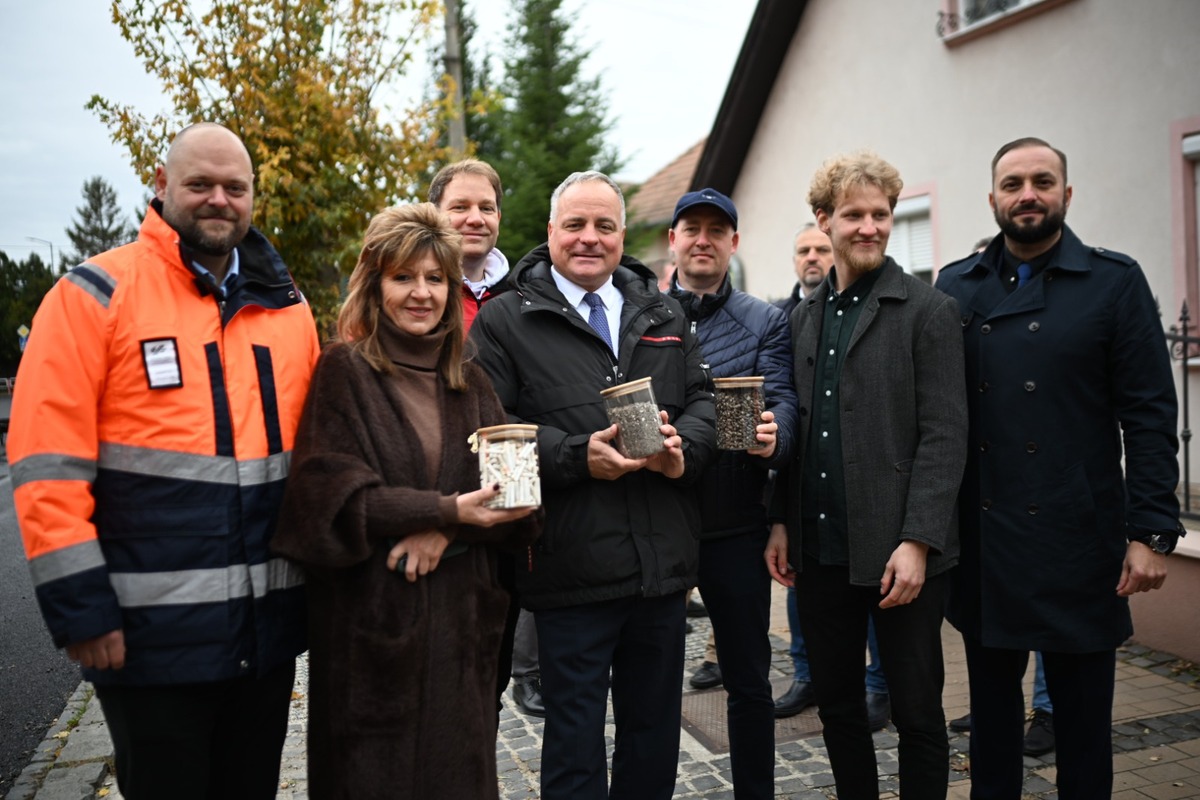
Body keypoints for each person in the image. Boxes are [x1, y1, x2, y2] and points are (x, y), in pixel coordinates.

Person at [9, 122, 320, 799]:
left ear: (253, 197)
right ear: (161, 186)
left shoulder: (288, 308)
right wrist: (80, 610)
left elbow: (314, 461)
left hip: (265, 639)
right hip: (149, 641)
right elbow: (45, 465)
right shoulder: (93, 296)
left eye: (235, 187)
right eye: (200, 184)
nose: (219, 200)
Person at [936, 136, 1182, 799]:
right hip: (985, 545)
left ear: (1066, 195)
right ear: (993, 199)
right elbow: (934, 417)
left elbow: (1152, 413)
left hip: (1080, 541)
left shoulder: (1113, 281)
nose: (1028, 195)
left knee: (1081, 732)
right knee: (991, 729)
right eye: (1013, 184)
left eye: (1042, 181)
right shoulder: (957, 286)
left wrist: (1151, 529)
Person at [271, 203, 539, 799]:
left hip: (462, 641)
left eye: (435, 278)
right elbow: (322, 502)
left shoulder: (472, 383)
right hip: (372, 641)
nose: (421, 293)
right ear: (374, 284)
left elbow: (523, 503)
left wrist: (450, 529)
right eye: (403, 277)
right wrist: (444, 510)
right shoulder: (345, 372)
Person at [470, 171, 716, 800]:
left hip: (660, 568)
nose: (589, 238)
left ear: (621, 235)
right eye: (575, 225)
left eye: (604, 226)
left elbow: (706, 402)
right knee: (574, 743)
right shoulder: (503, 322)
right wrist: (581, 457)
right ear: (550, 232)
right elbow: (488, 429)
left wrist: (680, 451)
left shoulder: (663, 310)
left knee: (653, 735)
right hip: (568, 570)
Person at [765, 151, 968, 799]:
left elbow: (945, 434)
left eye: (881, 214)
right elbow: (793, 427)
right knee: (840, 708)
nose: (870, 226)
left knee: (916, 713)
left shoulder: (927, 311)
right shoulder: (803, 317)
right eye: (854, 214)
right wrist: (778, 520)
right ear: (823, 220)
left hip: (902, 554)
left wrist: (919, 540)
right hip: (820, 551)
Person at [666, 188, 798, 798]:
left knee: (749, 682)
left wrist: (776, 437)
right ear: (673, 239)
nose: (703, 239)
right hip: (658, 524)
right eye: (691, 228)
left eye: (716, 230)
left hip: (736, 523)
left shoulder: (765, 319)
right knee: (652, 683)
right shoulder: (640, 314)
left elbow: (785, 401)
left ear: (733, 244)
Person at [428, 158, 545, 718]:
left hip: (509, 504)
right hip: (436, 502)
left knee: (489, 675)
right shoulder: (414, 286)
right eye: (460, 207)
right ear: (435, 213)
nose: (475, 218)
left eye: (487, 207)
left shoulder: (528, 292)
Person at [772, 223, 890, 729]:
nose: (813, 257)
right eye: (804, 250)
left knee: (872, 595)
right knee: (805, 594)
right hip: (808, 502)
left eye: (820, 248)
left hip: (867, 492)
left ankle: (880, 685)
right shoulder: (785, 318)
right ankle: (807, 675)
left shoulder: (881, 308)